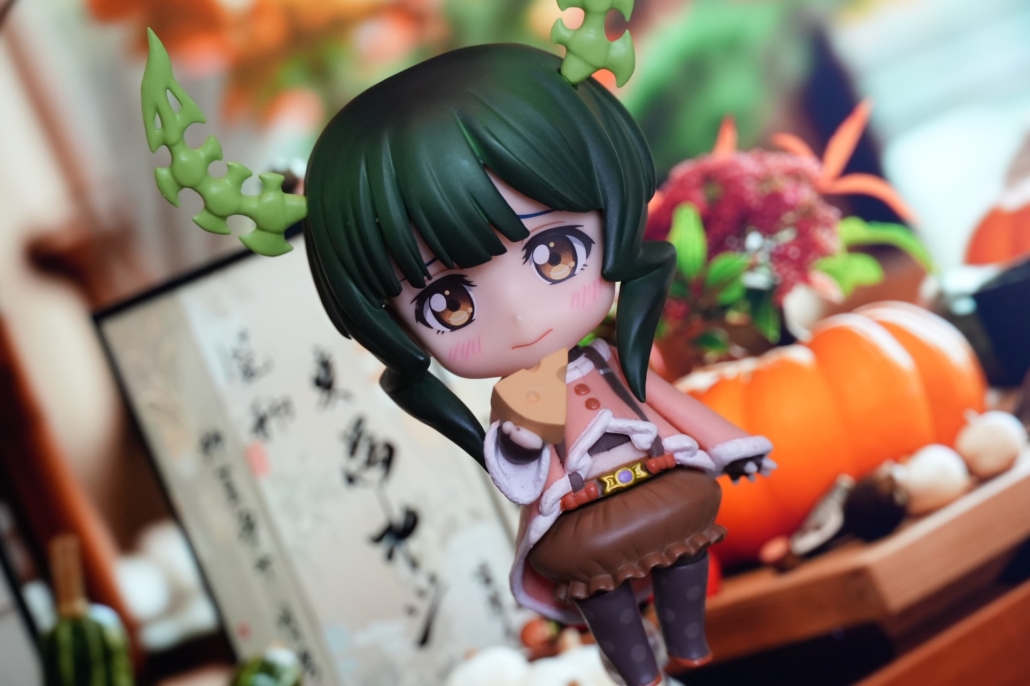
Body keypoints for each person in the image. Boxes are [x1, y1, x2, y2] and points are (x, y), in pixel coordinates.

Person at [304, 43, 773, 686]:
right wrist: (524, 434)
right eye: (450, 302)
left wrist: (732, 448)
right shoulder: (519, 394)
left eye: (555, 253)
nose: (523, 318)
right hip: (578, 512)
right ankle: (637, 669)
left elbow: (670, 405)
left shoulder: (613, 359)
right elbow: (520, 474)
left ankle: (687, 641)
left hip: (661, 480)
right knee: (597, 589)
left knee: (689, 542)